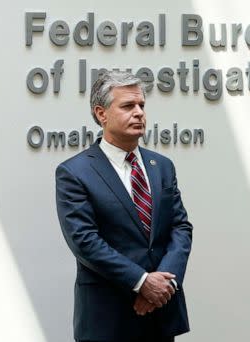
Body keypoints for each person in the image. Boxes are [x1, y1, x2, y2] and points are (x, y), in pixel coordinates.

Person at [55, 70, 193, 342]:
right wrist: (142, 282)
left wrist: (165, 285)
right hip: (108, 320)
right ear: (101, 113)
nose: (139, 112)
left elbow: (180, 227)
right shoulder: (75, 172)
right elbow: (84, 241)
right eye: (128, 106)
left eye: (142, 105)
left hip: (161, 316)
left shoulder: (162, 166)